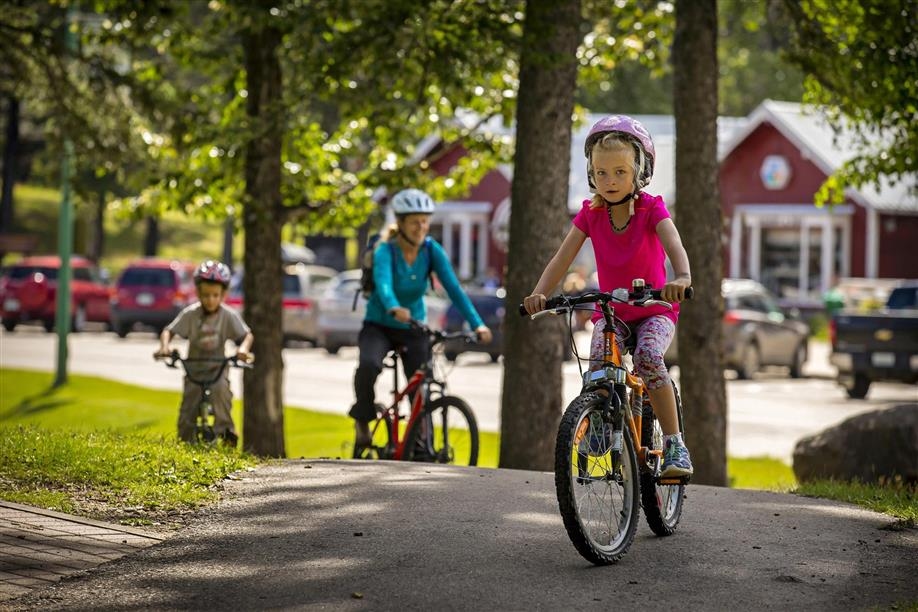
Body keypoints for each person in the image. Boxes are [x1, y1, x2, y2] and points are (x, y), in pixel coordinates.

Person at [522, 115, 694, 477]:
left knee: (647, 357)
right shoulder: (590, 215)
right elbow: (560, 259)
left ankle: (676, 444)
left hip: (654, 310)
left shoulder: (651, 208)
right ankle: (601, 423)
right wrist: (540, 293)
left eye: (619, 171)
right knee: (598, 365)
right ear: (590, 173)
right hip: (612, 313)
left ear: (639, 171)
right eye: (601, 173)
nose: (610, 181)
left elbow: (673, 242)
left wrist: (681, 276)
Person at [351, 188, 493, 450]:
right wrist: (394, 306)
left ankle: (419, 440)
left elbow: (454, 289)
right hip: (380, 324)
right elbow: (383, 286)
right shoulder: (385, 250)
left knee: (421, 383)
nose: (421, 226)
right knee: (369, 365)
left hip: (413, 325)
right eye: (415, 221)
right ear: (401, 223)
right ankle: (362, 417)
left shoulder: (431, 250)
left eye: (425, 220)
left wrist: (477, 323)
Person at [155, 260, 253, 445]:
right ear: (198, 293)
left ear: (223, 294)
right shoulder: (190, 314)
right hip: (193, 370)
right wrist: (164, 347)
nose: (210, 300)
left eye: (215, 295)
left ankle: (226, 435)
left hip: (218, 370)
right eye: (206, 295)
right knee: (188, 409)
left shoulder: (228, 315)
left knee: (221, 395)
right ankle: (185, 442)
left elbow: (246, 335)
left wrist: (242, 349)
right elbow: (169, 331)